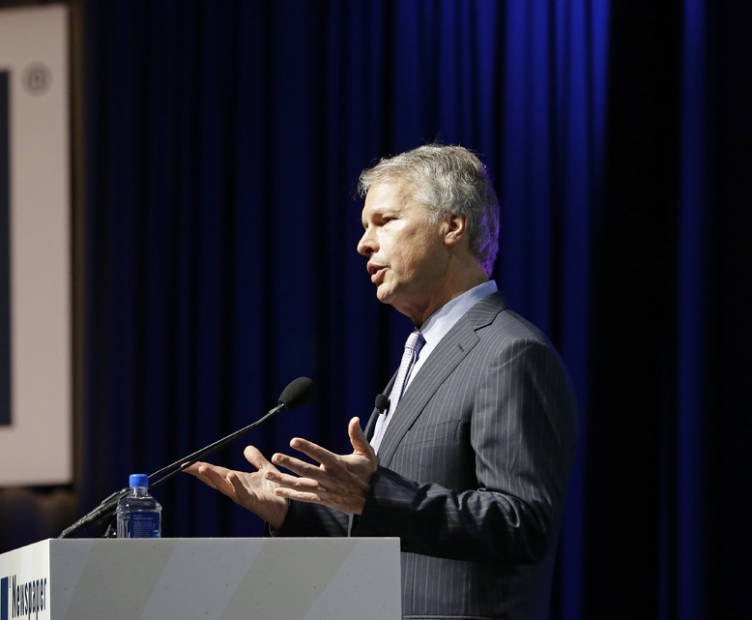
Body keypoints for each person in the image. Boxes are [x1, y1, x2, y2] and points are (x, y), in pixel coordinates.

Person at [187, 145, 577, 620]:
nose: (364, 244)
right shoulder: (421, 353)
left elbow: (523, 522)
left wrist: (378, 494)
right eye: (364, 227)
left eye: (385, 220)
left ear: (452, 226)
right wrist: (295, 511)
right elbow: (387, 518)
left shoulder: (509, 353)